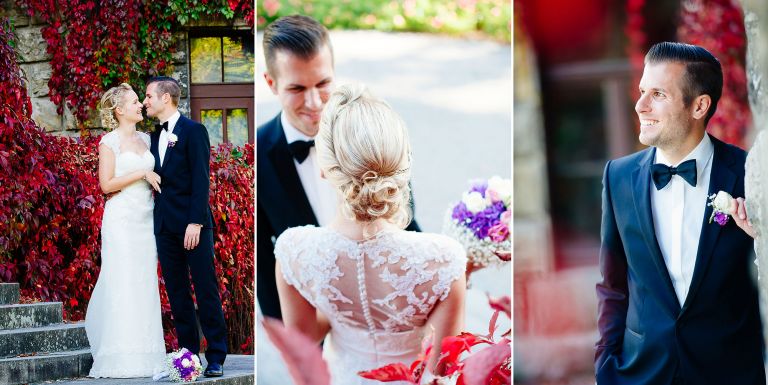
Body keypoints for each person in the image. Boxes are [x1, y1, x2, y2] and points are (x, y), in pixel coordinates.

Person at [595, 42, 764, 384]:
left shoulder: (751, 174)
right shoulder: (618, 178)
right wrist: (605, 366)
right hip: (640, 373)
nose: (640, 105)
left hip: (729, 373)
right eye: (643, 91)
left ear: (699, 105)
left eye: (657, 94)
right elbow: (612, 286)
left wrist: (761, 240)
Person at [274, 84, 466, 384]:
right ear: (403, 165)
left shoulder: (293, 251)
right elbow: (439, 373)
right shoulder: (445, 262)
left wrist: (340, 310)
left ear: (324, 167)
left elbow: (304, 342)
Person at [257, 15, 420, 320]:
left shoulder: (372, 131)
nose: (315, 101)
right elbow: (264, 263)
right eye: (297, 88)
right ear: (271, 83)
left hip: (391, 307)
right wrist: (295, 347)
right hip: (309, 318)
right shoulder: (259, 155)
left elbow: (407, 222)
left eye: (323, 83)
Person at [144, 76, 228, 377]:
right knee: (178, 293)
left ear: (166, 98)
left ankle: (216, 355)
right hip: (165, 226)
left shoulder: (194, 131)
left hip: (194, 226)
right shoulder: (152, 137)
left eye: (149, 95)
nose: (145, 101)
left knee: (206, 289)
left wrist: (196, 221)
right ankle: (189, 357)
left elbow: (201, 180)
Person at [85, 83, 165, 378]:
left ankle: (149, 356)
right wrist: (141, 173)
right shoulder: (109, 142)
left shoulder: (147, 138)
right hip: (121, 220)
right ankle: (120, 357)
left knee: (144, 283)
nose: (140, 105)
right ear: (119, 111)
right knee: (123, 282)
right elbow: (106, 185)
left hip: (146, 221)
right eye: (134, 102)